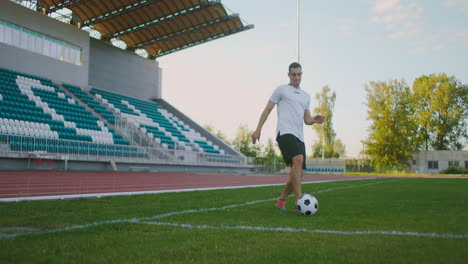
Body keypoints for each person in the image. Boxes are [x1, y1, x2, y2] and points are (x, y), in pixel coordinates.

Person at [251, 62, 325, 210]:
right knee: (298, 159)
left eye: (299, 74)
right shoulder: (281, 90)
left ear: (301, 75)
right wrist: (258, 128)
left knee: (300, 172)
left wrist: (313, 120)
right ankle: (300, 202)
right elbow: (267, 109)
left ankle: (281, 200)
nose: (296, 77)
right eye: (293, 74)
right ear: (289, 75)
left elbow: (306, 119)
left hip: (299, 136)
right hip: (284, 131)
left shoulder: (306, 96)